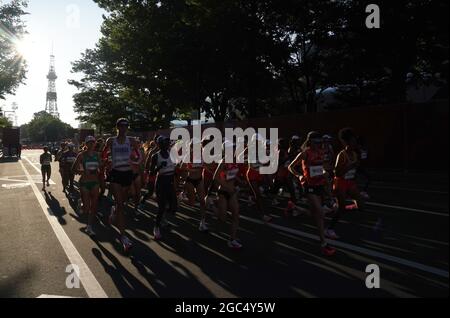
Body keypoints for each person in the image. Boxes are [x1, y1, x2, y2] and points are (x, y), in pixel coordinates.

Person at [288, 131, 336, 256]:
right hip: (309, 186)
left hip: (320, 184)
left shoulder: (321, 152)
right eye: (316, 142)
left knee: (315, 214)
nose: (319, 144)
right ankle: (323, 243)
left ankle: (295, 207)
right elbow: (291, 167)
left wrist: (325, 173)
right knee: (320, 213)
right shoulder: (305, 153)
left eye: (320, 142)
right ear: (310, 142)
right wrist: (299, 176)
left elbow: (322, 167)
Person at [103, 118, 141, 252]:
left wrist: (135, 160)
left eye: (126, 126)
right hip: (115, 173)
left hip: (127, 173)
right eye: (121, 126)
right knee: (120, 204)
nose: (124, 128)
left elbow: (139, 156)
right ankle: (123, 237)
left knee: (122, 203)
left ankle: (114, 211)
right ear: (117, 127)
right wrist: (106, 163)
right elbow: (104, 154)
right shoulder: (110, 140)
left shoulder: (131, 140)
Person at [325, 128, 366, 240]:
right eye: (353, 141)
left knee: (361, 205)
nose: (355, 143)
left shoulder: (354, 153)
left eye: (355, 141)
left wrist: (355, 173)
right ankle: (329, 229)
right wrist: (350, 167)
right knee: (341, 208)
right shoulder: (341, 155)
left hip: (350, 182)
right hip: (340, 182)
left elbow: (354, 171)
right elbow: (336, 172)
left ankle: (341, 207)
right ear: (347, 142)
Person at [207, 140, 243, 249]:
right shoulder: (223, 162)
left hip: (232, 193)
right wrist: (228, 187)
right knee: (222, 219)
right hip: (223, 192)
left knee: (236, 215)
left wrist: (239, 180)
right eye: (231, 148)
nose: (233, 150)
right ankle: (212, 203)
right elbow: (216, 177)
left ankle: (232, 239)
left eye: (233, 148)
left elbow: (232, 173)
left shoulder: (235, 161)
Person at [149, 136, 178, 240]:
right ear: (159, 144)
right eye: (164, 143)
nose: (167, 144)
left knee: (173, 207)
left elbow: (176, 169)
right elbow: (151, 172)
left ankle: (163, 218)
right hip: (161, 182)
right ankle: (156, 227)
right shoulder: (155, 156)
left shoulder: (172, 154)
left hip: (170, 181)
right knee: (161, 207)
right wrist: (160, 167)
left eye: (167, 142)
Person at [72, 136, 102, 237]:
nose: (91, 144)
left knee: (93, 206)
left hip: (95, 182)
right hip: (84, 183)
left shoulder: (98, 155)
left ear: (94, 144)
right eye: (89, 143)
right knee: (86, 209)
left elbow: (100, 168)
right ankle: (81, 204)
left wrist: (102, 168)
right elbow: (73, 169)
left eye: (93, 142)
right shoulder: (81, 155)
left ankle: (89, 226)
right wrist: (83, 171)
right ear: (86, 144)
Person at [180, 138, 209, 232]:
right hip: (190, 180)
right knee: (192, 203)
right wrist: (192, 170)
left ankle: (203, 222)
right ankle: (181, 199)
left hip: (199, 180)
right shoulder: (188, 155)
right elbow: (181, 167)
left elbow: (205, 166)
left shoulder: (202, 155)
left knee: (202, 201)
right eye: (194, 146)